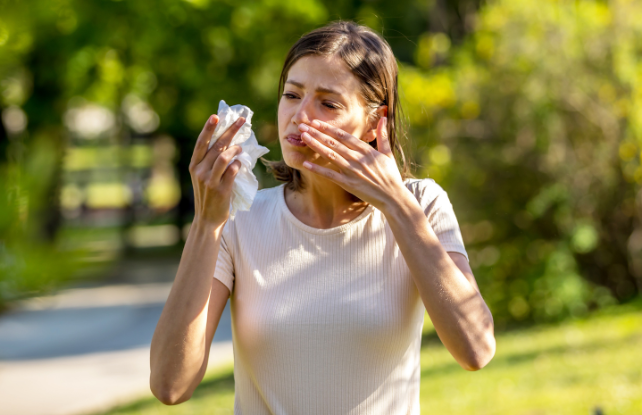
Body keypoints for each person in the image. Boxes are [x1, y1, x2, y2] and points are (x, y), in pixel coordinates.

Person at [150, 21, 496, 414]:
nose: (299, 115)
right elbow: (169, 384)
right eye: (292, 95)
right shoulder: (240, 220)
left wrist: (396, 205)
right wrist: (205, 224)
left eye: (327, 103)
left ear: (374, 122)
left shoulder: (421, 205)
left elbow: (476, 349)